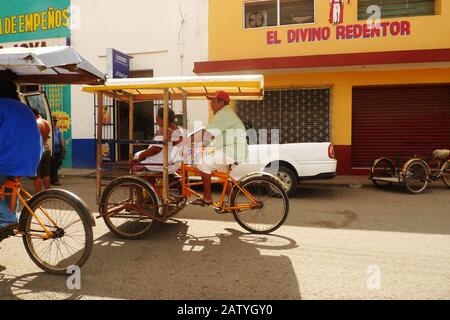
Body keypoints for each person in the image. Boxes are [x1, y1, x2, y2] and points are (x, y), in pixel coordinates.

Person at [191, 91, 248, 206]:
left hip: (232, 152)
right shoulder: (226, 114)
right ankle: (233, 201)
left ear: (221, 102)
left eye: (213, 101)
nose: (211, 104)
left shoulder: (224, 114)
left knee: (202, 163)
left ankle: (207, 198)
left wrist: (185, 141)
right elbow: (211, 135)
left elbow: (206, 133)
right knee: (222, 176)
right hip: (235, 151)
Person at [0, 79, 42, 234]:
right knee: (9, 184)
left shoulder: (1, 105)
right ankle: (7, 222)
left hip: (8, 158)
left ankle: (7, 220)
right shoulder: (24, 108)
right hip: (31, 158)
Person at [32, 108, 52, 192]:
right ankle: (47, 194)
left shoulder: (37, 123)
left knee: (37, 176)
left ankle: (38, 196)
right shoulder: (46, 122)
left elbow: (35, 139)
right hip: (47, 149)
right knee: (46, 175)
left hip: (38, 151)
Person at [51, 117, 65, 186]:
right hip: (51, 151)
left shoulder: (58, 130)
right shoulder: (49, 130)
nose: (54, 123)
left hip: (58, 150)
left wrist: (62, 148)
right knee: (53, 165)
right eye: (53, 121)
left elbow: (60, 140)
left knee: (58, 164)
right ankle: (55, 180)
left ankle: (53, 179)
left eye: (55, 122)